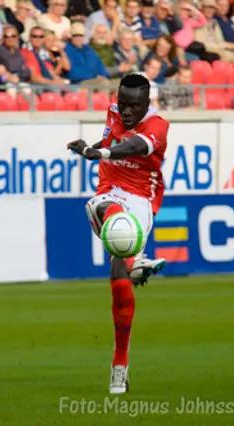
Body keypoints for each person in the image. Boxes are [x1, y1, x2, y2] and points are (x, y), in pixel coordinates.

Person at [66, 73, 168, 395]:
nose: (124, 112)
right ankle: (135, 259)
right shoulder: (113, 112)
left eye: (132, 107)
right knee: (98, 209)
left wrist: (104, 155)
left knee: (119, 282)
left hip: (140, 199)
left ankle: (120, 363)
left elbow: (132, 147)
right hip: (110, 190)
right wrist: (91, 150)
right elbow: (111, 142)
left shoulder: (158, 126)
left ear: (146, 103)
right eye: (121, 104)